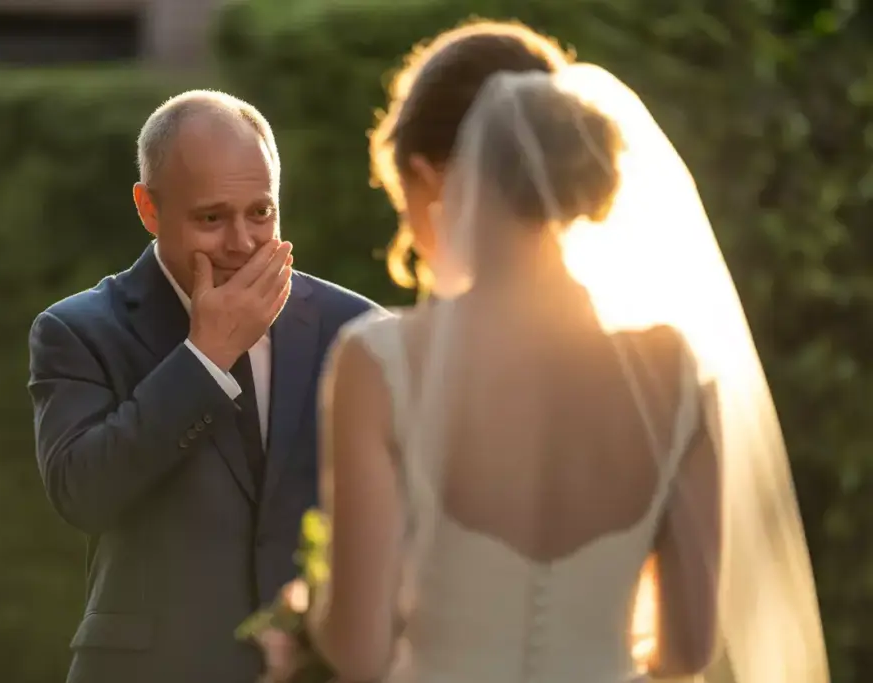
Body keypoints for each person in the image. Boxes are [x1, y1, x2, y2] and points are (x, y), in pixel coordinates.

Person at [259, 20, 830, 683]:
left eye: (400, 201)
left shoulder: (380, 361)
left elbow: (360, 650)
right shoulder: (671, 370)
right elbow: (688, 650)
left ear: (429, 178)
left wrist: (303, 628)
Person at [27, 90, 378, 683]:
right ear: (149, 208)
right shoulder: (78, 330)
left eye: (261, 212)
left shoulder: (358, 332)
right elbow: (82, 493)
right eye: (212, 218)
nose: (242, 242)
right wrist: (205, 357)